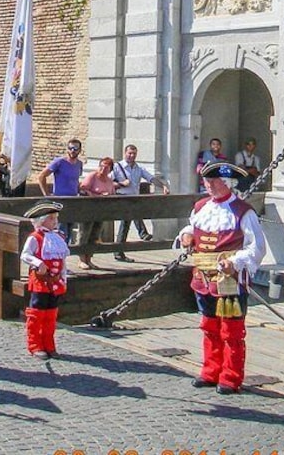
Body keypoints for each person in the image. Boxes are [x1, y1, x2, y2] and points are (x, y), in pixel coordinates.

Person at [177, 161, 265, 395]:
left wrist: (234, 262)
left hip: (229, 281)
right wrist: (186, 237)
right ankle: (210, 370)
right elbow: (191, 228)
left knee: (231, 330)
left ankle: (231, 376)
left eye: (215, 181)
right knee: (209, 325)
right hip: (202, 278)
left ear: (227, 183)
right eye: (207, 181)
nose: (210, 186)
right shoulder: (200, 206)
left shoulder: (243, 212)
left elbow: (256, 247)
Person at [20, 201, 69, 360]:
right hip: (41, 280)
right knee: (37, 313)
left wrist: (63, 277)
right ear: (42, 220)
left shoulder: (58, 236)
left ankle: (49, 344)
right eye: (51, 218)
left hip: (55, 281)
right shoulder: (35, 237)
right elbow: (25, 255)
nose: (55, 221)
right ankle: (35, 344)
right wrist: (38, 263)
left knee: (51, 313)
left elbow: (63, 260)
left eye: (55, 218)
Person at [111, 144, 171, 262]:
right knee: (128, 220)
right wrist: (121, 184)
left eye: (134, 154)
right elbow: (107, 181)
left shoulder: (139, 168)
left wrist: (163, 186)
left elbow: (151, 178)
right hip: (121, 198)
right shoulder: (117, 167)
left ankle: (119, 251)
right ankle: (142, 234)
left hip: (133, 199)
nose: (132, 156)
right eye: (129, 153)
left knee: (126, 224)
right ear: (125, 153)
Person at [37, 139, 83, 241]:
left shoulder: (79, 164)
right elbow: (41, 176)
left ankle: (64, 253)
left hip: (73, 201)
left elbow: (75, 180)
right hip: (60, 200)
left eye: (75, 148)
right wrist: (46, 194)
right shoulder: (59, 162)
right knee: (61, 230)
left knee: (70, 229)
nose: (72, 151)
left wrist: (81, 191)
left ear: (79, 150)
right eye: (70, 148)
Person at [77, 157, 116, 270]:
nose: (103, 169)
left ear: (110, 169)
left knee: (94, 235)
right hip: (88, 210)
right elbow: (83, 189)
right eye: (102, 166)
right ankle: (81, 260)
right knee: (84, 234)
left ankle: (89, 259)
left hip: (100, 211)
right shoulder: (92, 176)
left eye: (106, 167)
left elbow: (112, 193)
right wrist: (96, 195)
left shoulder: (109, 180)